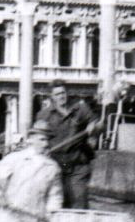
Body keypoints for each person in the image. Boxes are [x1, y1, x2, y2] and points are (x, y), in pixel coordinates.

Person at [34, 81, 97, 209]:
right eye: (57, 94)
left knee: (79, 203)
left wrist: (93, 126)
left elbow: (97, 123)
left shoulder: (80, 108)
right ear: (51, 97)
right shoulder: (43, 115)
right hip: (56, 166)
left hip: (78, 165)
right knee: (57, 204)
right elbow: (38, 137)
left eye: (63, 93)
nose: (61, 96)